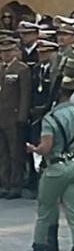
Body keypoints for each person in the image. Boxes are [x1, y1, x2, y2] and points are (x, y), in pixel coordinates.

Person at [16, 76, 74, 251]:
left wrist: (34, 149)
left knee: (44, 213)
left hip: (55, 167)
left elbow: (46, 147)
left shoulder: (51, 118)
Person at [0, 37, 30, 199]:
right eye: (2, 52)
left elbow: (25, 95)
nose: (5, 55)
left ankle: (15, 184)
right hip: (1, 116)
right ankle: (4, 183)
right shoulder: (0, 68)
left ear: (15, 51)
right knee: (2, 152)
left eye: (8, 51)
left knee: (15, 152)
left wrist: (22, 116)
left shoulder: (21, 69)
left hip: (13, 115)